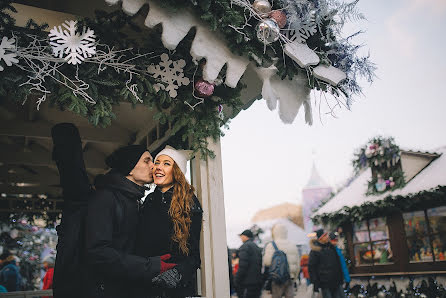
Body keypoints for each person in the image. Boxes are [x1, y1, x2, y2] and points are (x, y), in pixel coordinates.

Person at [85, 144, 176, 298]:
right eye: (147, 161)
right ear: (130, 168)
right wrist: (150, 265)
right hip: (106, 290)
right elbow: (98, 252)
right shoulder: (106, 198)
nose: (153, 166)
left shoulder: (134, 200)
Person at [135, 145, 203, 297]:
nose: (158, 167)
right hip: (145, 283)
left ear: (177, 171)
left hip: (174, 289)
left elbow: (194, 256)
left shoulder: (189, 203)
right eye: (157, 162)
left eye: (166, 164)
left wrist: (177, 274)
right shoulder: (149, 201)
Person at [263, 223, 300, 298]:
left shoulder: (271, 245)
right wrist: (294, 277)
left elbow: (266, 262)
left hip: (277, 277)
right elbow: (298, 265)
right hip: (290, 277)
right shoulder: (292, 245)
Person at [309, 229, 345, 298]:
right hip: (324, 283)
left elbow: (338, 263)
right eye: (325, 235)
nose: (327, 237)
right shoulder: (315, 251)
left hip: (336, 281)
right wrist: (315, 284)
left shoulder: (331, 247)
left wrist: (341, 278)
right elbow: (312, 268)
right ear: (320, 238)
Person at [235, 229, 263, 298]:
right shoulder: (256, 247)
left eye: (241, 236)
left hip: (247, 283)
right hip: (257, 281)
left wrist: (237, 279)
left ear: (245, 236)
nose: (240, 238)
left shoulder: (245, 247)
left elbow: (243, 266)